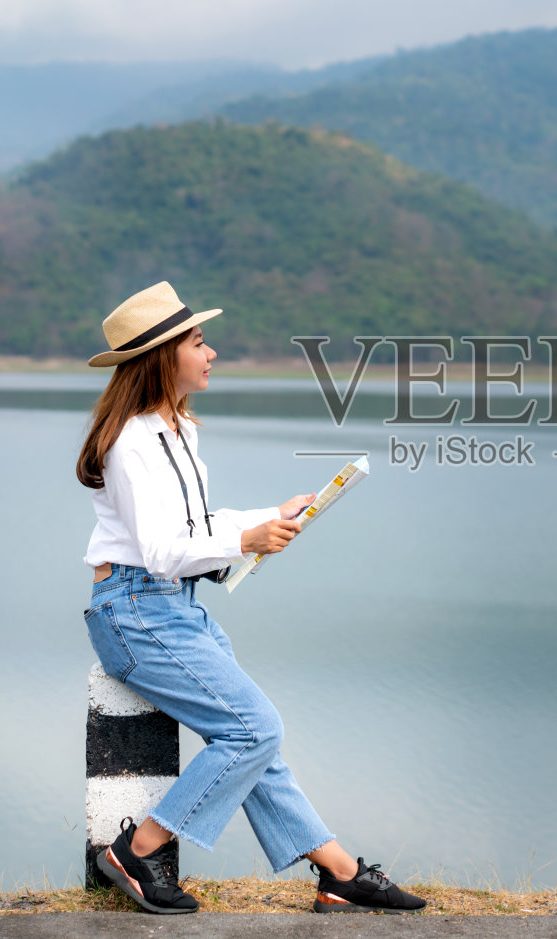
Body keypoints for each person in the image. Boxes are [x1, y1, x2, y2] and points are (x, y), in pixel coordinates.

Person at [76, 281, 425, 916]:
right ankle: (137, 850)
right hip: (134, 611)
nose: (212, 353)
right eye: (199, 342)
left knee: (253, 737)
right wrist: (247, 538)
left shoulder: (173, 429)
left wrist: (270, 516)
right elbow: (159, 549)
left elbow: (192, 523)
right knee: (254, 729)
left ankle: (339, 873)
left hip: (171, 607)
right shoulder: (131, 440)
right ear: (162, 357)